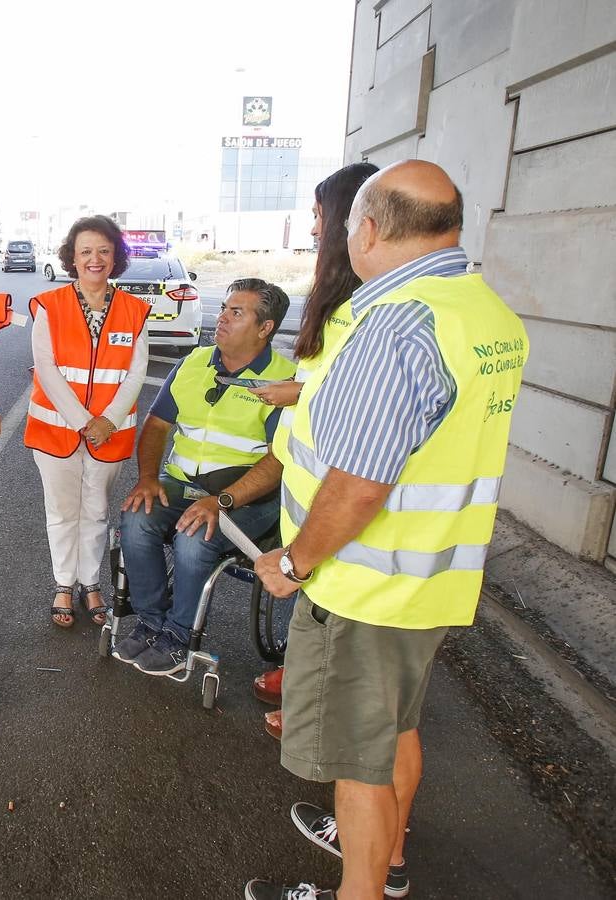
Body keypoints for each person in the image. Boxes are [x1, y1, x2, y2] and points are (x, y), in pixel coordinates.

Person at [244, 160, 528, 900]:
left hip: (365, 588)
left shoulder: (397, 324)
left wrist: (298, 561)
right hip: (428, 581)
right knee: (395, 731)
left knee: (357, 764)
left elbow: (362, 482)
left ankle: (359, 890)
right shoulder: (482, 311)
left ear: (367, 228)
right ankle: (388, 863)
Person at [248, 161, 379, 740]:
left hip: (341, 508)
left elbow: (366, 428)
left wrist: (295, 560)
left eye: (321, 217)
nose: (313, 228)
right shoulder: (342, 303)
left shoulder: (374, 316)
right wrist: (299, 391)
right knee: (315, 612)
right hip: (309, 499)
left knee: (366, 706)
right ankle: (302, 678)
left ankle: (315, 712)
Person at [115, 279, 296, 675]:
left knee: (196, 536)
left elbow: (279, 459)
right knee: (135, 516)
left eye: (236, 312)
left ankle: (181, 637)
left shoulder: (285, 381)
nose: (222, 319)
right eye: (224, 309)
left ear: (265, 328)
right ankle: (150, 622)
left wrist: (221, 502)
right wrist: (148, 478)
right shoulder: (193, 363)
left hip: (245, 497)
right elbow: (158, 425)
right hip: (181, 482)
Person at [26, 216, 150, 628]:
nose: (94, 259)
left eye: (103, 250)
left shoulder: (134, 311)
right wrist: (84, 421)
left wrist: (108, 420)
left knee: (97, 511)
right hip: (57, 429)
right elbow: (46, 368)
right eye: (85, 251)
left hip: (109, 434)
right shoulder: (50, 306)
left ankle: (90, 583)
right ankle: (64, 584)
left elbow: (136, 372)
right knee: (62, 512)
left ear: (115, 257)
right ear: (72, 259)